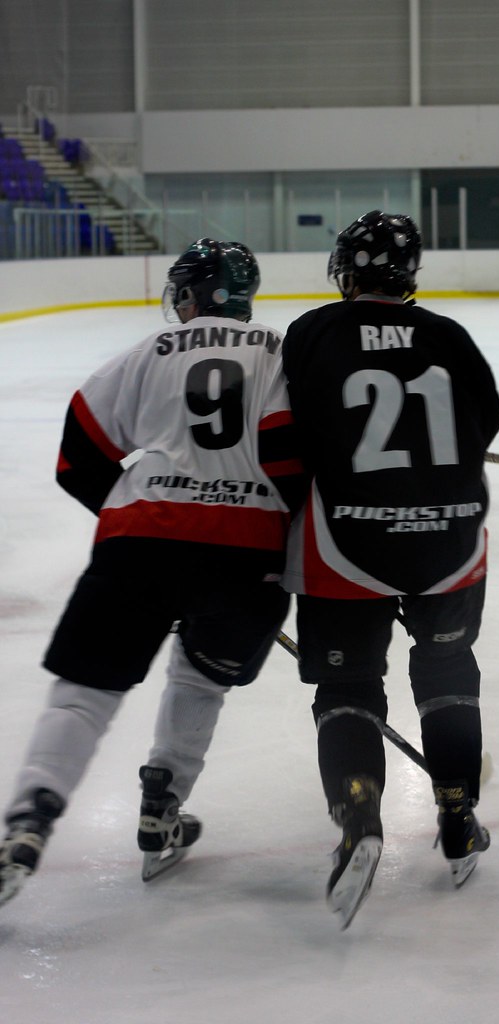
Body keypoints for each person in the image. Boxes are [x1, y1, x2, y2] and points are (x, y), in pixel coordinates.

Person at [0, 238, 304, 905]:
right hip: (244, 550)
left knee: (85, 688)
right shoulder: (278, 351)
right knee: (199, 680)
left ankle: (28, 818)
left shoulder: (146, 354)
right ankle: (160, 806)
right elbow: (287, 460)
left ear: (196, 294)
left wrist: (128, 512)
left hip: (140, 537)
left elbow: (78, 451)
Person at [281, 210, 499, 928]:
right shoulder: (449, 337)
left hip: (350, 544)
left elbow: (288, 437)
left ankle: (357, 820)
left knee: (347, 682)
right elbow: (485, 422)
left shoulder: (313, 332)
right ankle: (458, 814)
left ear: (346, 268)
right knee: (445, 669)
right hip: (450, 541)